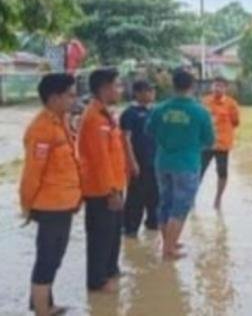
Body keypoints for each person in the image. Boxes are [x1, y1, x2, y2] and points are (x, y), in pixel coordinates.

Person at [19, 74, 81, 316]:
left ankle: (43, 303)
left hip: (64, 203)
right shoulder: (41, 129)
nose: (74, 99)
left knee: (55, 255)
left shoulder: (60, 121)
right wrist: (26, 206)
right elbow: (32, 173)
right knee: (47, 258)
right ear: (55, 98)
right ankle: (42, 311)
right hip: (50, 206)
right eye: (70, 94)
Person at [146, 69, 215, 260]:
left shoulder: (160, 109)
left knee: (165, 203)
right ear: (192, 86)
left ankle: (170, 241)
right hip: (187, 163)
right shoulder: (200, 111)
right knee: (181, 206)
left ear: (172, 85)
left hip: (163, 162)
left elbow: (149, 131)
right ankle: (168, 249)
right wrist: (193, 144)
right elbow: (210, 140)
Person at [78, 68, 127, 293]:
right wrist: (111, 192)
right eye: (117, 85)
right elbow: (100, 160)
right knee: (101, 236)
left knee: (113, 233)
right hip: (102, 189)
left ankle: (110, 271)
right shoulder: (94, 118)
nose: (120, 89)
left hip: (115, 184)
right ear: (104, 88)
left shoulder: (106, 114)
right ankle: (97, 281)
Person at [120, 80, 158, 237]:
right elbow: (125, 139)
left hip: (155, 162)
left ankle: (152, 227)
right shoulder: (130, 113)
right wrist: (132, 161)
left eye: (152, 90)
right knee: (136, 197)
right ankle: (130, 229)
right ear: (138, 93)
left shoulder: (154, 111)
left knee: (155, 196)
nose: (152, 94)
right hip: (138, 162)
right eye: (148, 91)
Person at [201, 76, 241, 210]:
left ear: (225, 88)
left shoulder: (232, 104)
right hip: (206, 144)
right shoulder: (204, 102)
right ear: (211, 86)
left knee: (222, 172)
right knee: (199, 171)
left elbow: (235, 122)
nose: (217, 88)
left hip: (223, 145)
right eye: (215, 85)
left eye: (221, 86)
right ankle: (192, 198)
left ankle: (218, 199)